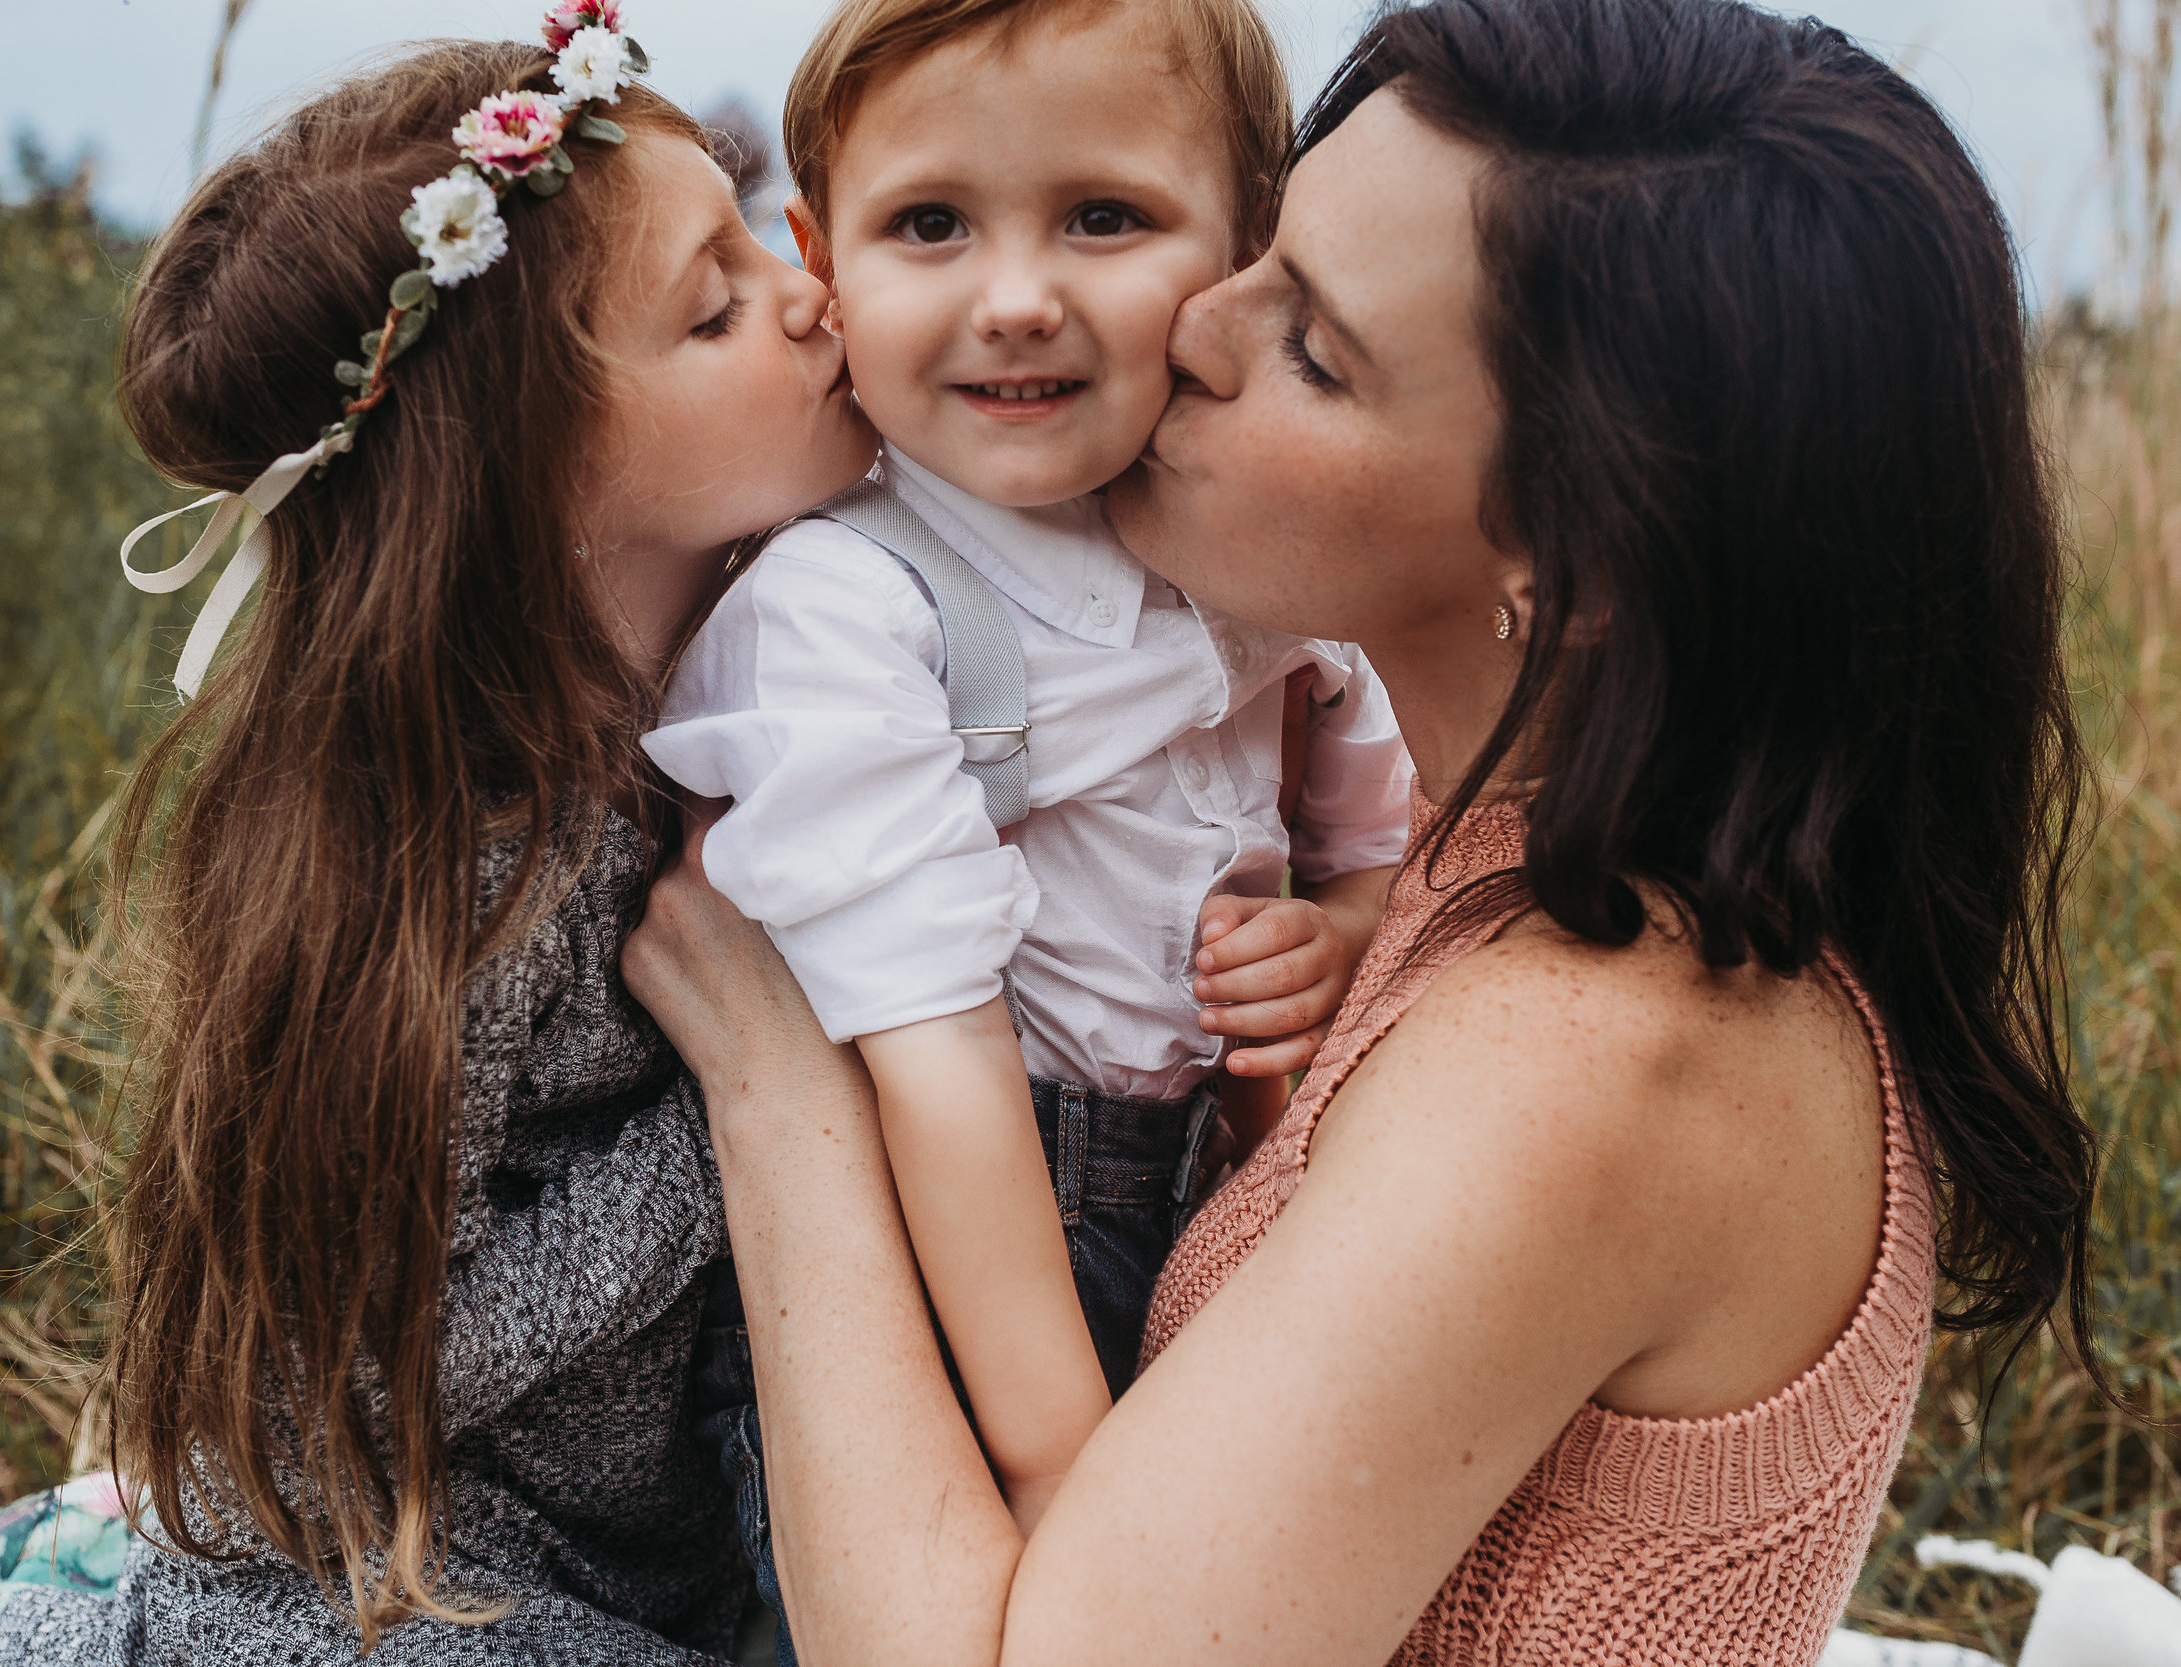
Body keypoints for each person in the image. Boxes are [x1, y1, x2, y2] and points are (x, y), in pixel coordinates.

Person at [621, 0, 2106, 1661]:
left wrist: (777, 1092)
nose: (1189, 326)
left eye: (1313, 345)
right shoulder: (1489, 866)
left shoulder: (1605, 1063)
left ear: (1579, 559)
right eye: (1259, 250)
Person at [0, 22, 877, 1667]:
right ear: (535, 465)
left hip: (636, 1545)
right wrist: (745, 1129)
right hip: (389, 1574)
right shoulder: (476, 855)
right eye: (718, 303)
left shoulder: (773, 685)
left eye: (757, 233)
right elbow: (359, 1367)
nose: (810, 285)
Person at [640, 0, 1410, 1608]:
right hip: (952, 1252)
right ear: (821, 257)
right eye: (929, 225)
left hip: (1229, 1196)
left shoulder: (1256, 551)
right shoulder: (850, 605)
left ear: (1248, 245)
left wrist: (1335, 935)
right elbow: (938, 1061)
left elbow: (1382, 848)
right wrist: (1070, 1459)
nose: (1014, 301)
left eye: (1104, 217)